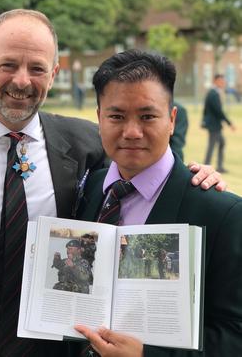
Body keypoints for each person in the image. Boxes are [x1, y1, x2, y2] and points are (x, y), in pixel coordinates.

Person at [0, 9, 225, 357]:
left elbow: (142, 172)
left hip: (53, 349)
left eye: (37, 69)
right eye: (8, 65)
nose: (22, 80)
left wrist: (197, 175)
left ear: (54, 73)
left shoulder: (89, 143)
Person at [74, 49, 242, 357]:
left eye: (147, 116)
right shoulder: (88, 188)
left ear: (172, 119)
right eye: (116, 116)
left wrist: (146, 355)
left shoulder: (223, 214)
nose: (132, 132)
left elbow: (235, 336)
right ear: (99, 118)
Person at [203, 74, 236, 173]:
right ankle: (205, 167)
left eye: (224, 81)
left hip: (215, 125)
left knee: (221, 143)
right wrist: (230, 123)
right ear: (216, 81)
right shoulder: (213, 94)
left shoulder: (214, 92)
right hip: (214, 125)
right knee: (212, 146)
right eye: (221, 81)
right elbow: (219, 111)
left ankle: (219, 167)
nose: (223, 83)